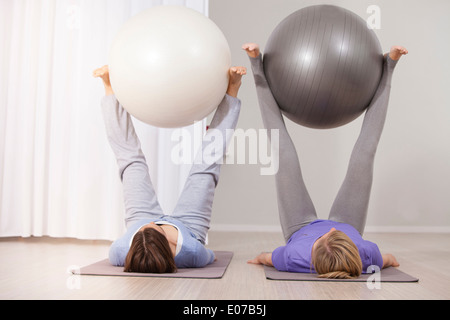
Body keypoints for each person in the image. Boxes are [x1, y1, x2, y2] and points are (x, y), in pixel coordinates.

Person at [244, 42, 407, 279]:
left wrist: (258, 259)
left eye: (325, 236)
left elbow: (265, 257)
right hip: (350, 224)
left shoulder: (293, 256)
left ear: (311, 253)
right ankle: (390, 66)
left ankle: (256, 64)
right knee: (365, 154)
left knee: (283, 153)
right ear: (355, 249)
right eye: (336, 234)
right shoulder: (365, 254)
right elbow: (390, 260)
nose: (330, 227)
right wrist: (388, 262)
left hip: (299, 227)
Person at [93, 65, 247, 273]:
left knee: (131, 163)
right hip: (189, 227)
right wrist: (210, 256)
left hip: (141, 216)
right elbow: (210, 256)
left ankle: (109, 86)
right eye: (156, 229)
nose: (156, 223)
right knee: (206, 165)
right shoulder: (192, 252)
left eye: (143, 231)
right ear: (169, 244)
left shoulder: (120, 251)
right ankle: (233, 89)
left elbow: (144, 230)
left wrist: (143, 226)